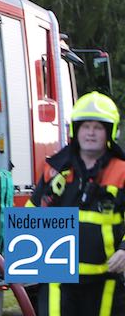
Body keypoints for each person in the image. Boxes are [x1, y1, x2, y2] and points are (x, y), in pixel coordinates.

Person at [27, 91, 125, 315]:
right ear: (75, 129)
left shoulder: (121, 172)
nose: (90, 133)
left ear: (110, 132)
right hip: (57, 281)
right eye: (85, 126)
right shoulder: (55, 170)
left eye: (98, 127)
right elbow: (33, 214)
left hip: (105, 281)